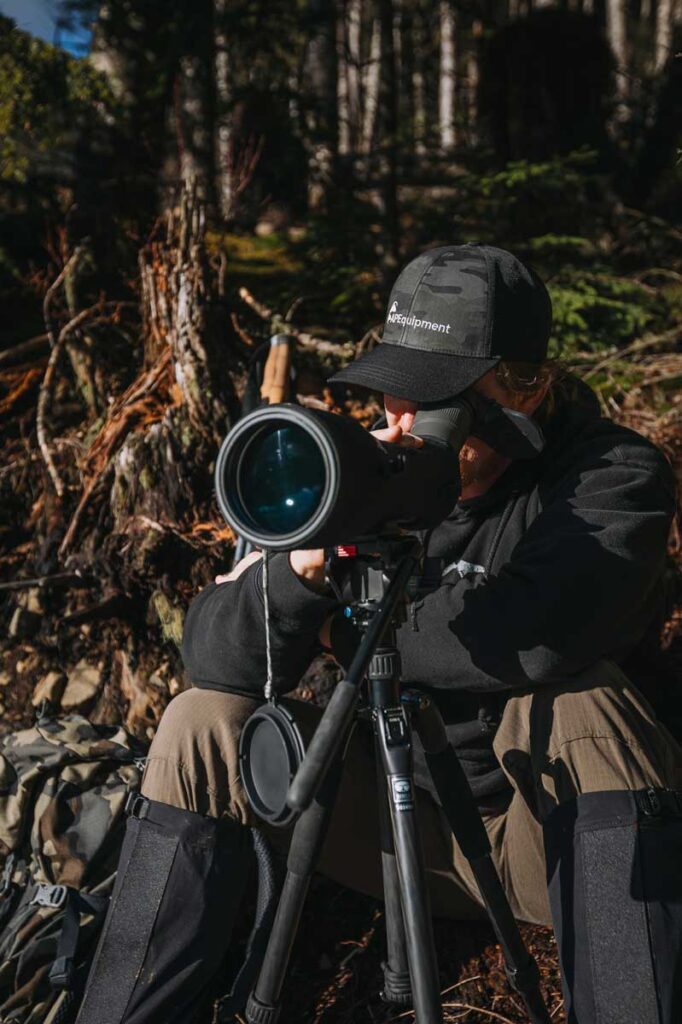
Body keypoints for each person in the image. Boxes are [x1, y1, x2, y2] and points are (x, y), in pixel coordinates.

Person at [77, 245, 682, 1024]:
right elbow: (214, 657)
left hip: (543, 836)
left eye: (435, 400)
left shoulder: (608, 477)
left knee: (586, 706)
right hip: (388, 831)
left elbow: (534, 634)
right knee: (200, 722)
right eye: (394, 390)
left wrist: (335, 629)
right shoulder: (363, 475)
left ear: (522, 389)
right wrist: (303, 570)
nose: (402, 421)